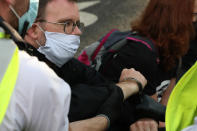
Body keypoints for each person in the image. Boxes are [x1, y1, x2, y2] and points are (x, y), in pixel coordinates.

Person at [0, 0, 148, 130]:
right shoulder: (30, 72)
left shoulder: (66, 64)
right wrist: (127, 87)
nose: (78, 32)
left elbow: (104, 91)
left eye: (77, 24)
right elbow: (75, 104)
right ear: (34, 31)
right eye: (68, 24)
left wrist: (145, 115)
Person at [77, 0, 196, 130]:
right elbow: (153, 113)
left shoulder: (174, 50)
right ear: (174, 18)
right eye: (194, 15)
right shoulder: (141, 54)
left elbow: (164, 111)